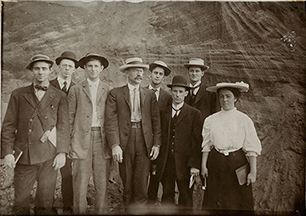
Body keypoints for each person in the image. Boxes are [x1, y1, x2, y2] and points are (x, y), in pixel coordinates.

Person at [1, 54, 70, 215]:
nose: (41, 72)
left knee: (45, 201)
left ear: (50, 71)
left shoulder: (60, 96)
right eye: (37, 69)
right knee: (20, 200)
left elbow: (64, 127)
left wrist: (62, 153)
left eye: (44, 69)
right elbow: (8, 126)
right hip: (25, 156)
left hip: (49, 157)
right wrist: (7, 153)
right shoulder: (18, 94)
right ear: (32, 71)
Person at [105, 57, 161, 213]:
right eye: (136, 70)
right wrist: (115, 145)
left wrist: (156, 144)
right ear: (127, 72)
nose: (140, 73)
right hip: (125, 141)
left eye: (142, 70)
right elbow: (110, 121)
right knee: (127, 184)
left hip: (145, 142)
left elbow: (156, 121)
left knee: (142, 184)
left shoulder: (149, 95)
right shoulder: (115, 94)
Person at [201, 82, 262, 214]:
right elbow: (206, 145)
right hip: (216, 162)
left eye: (228, 96)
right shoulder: (211, 120)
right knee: (216, 200)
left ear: (236, 98)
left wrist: (253, 171)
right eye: (221, 96)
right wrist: (203, 166)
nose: (224, 100)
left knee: (237, 202)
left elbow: (251, 148)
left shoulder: (244, 119)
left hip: (237, 163)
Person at [68, 53, 111, 214]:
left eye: (96, 66)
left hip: (102, 139)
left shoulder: (108, 89)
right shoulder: (76, 90)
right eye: (90, 66)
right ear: (85, 68)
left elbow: (112, 118)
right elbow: (69, 118)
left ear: (101, 68)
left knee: (102, 184)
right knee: (80, 183)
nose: (93, 69)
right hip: (81, 140)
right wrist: (70, 142)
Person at [156, 75, 202, 211]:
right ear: (171, 92)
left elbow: (196, 141)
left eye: (181, 91)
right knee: (167, 195)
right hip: (167, 162)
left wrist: (194, 165)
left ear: (186, 93)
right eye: (175, 91)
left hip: (185, 163)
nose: (177, 95)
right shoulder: (163, 112)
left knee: (186, 198)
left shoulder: (194, 113)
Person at [50, 51, 78, 214]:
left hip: (68, 137)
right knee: (49, 172)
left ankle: (68, 205)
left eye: (70, 66)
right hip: (49, 136)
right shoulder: (49, 85)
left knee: (67, 172)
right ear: (59, 67)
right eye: (64, 65)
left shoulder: (76, 88)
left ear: (74, 69)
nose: (67, 69)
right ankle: (48, 205)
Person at [146, 60, 172, 205]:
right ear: (151, 74)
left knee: (158, 174)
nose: (157, 76)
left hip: (159, 141)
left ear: (163, 78)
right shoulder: (141, 91)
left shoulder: (167, 97)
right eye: (155, 73)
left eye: (160, 74)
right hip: (142, 139)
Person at [184, 58, 218, 123]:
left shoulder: (210, 93)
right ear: (188, 72)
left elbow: (215, 115)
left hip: (204, 130)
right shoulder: (182, 91)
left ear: (202, 73)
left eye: (197, 71)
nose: (194, 73)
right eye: (191, 71)